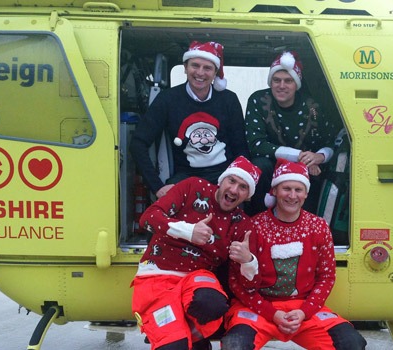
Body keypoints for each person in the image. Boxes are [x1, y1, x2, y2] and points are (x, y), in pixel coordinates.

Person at [221, 158, 367, 350]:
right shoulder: (252, 226)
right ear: (274, 191)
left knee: (351, 343)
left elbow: (327, 277)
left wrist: (304, 312)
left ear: (306, 193)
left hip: (303, 309)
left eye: (298, 190)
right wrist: (271, 313)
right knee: (234, 345)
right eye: (286, 188)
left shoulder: (318, 226)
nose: (292, 195)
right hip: (259, 308)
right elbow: (236, 283)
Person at [131, 156, 261, 350]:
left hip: (195, 278)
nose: (234, 190)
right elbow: (148, 218)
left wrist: (248, 261)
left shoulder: (242, 224)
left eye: (243, 187)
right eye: (232, 181)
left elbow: (248, 286)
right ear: (221, 180)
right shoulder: (193, 187)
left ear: (248, 196)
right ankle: (187, 339)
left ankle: (193, 337)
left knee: (211, 303)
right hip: (157, 277)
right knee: (174, 346)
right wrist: (188, 231)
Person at [130, 40, 249, 198]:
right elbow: (138, 143)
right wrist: (157, 186)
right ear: (185, 68)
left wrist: (242, 178)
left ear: (215, 73)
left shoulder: (229, 100)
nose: (200, 73)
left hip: (225, 173)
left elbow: (240, 147)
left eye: (207, 68)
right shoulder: (167, 99)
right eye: (195, 65)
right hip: (185, 174)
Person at [244, 51, 338, 214]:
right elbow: (256, 144)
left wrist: (318, 156)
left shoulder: (313, 108)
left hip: (304, 168)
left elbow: (329, 140)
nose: (281, 85)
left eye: (288, 81)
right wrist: (299, 155)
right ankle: (256, 222)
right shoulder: (258, 101)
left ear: (296, 83)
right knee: (259, 165)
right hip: (271, 165)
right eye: (276, 80)